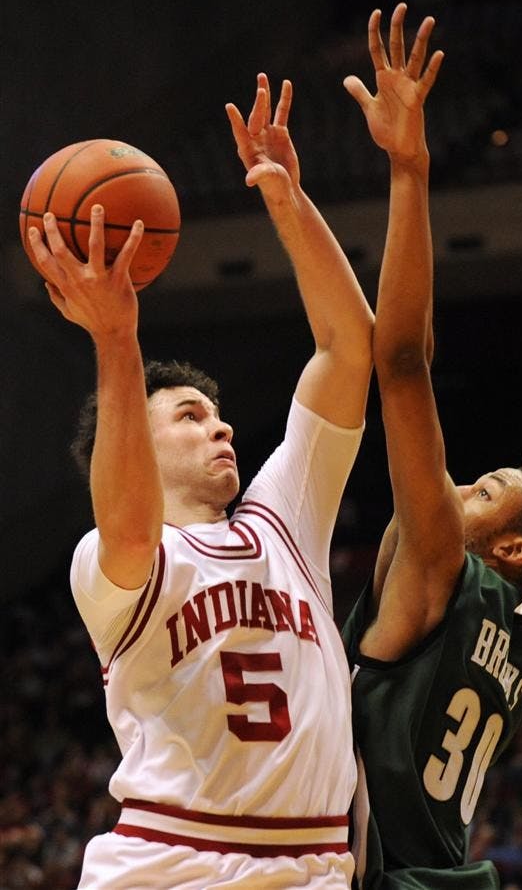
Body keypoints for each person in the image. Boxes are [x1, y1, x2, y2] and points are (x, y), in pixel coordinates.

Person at [28, 73, 373, 889]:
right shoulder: (107, 562)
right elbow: (129, 523)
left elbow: (347, 350)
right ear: (136, 447)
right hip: (168, 865)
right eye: (188, 415)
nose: (219, 424)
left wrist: (288, 200)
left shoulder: (283, 521)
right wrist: (116, 339)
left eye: (216, 414)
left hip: (312, 868)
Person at [341, 4, 522, 890]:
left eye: (478, 492)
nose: (456, 485)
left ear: (501, 547)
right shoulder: (520, 631)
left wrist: (409, 168)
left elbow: (398, 361)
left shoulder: (437, 566)